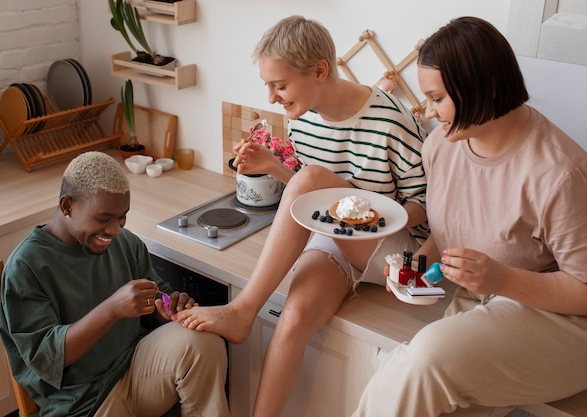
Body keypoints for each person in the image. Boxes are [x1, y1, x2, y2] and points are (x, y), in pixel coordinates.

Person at [176, 15, 428, 417]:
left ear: (320, 71)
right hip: (335, 238)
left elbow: (426, 205)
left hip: (392, 252)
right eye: (268, 86)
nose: (273, 97)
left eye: (280, 85)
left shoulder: (392, 119)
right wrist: (274, 167)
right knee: (291, 320)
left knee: (311, 178)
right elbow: (307, 189)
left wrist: (370, 214)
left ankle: (243, 311)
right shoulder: (304, 120)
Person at [352, 16, 587, 417]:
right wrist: (417, 267)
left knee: (423, 360)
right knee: (403, 371)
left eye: (437, 99)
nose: (429, 112)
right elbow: (450, 236)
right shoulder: (441, 146)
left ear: (482, 88)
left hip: (571, 325)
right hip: (482, 304)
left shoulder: (561, 174)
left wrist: (502, 280)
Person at [0, 151, 230, 417]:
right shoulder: (27, 266)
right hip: (80, 403)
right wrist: (112, 309)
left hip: (134, 370)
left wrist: (167, 310)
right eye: (103, 218)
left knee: (204, 340)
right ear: (67, 206)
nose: (115, 230)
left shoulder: (126, 243)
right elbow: (47, 357)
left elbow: (156, 303)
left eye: (122, 217)